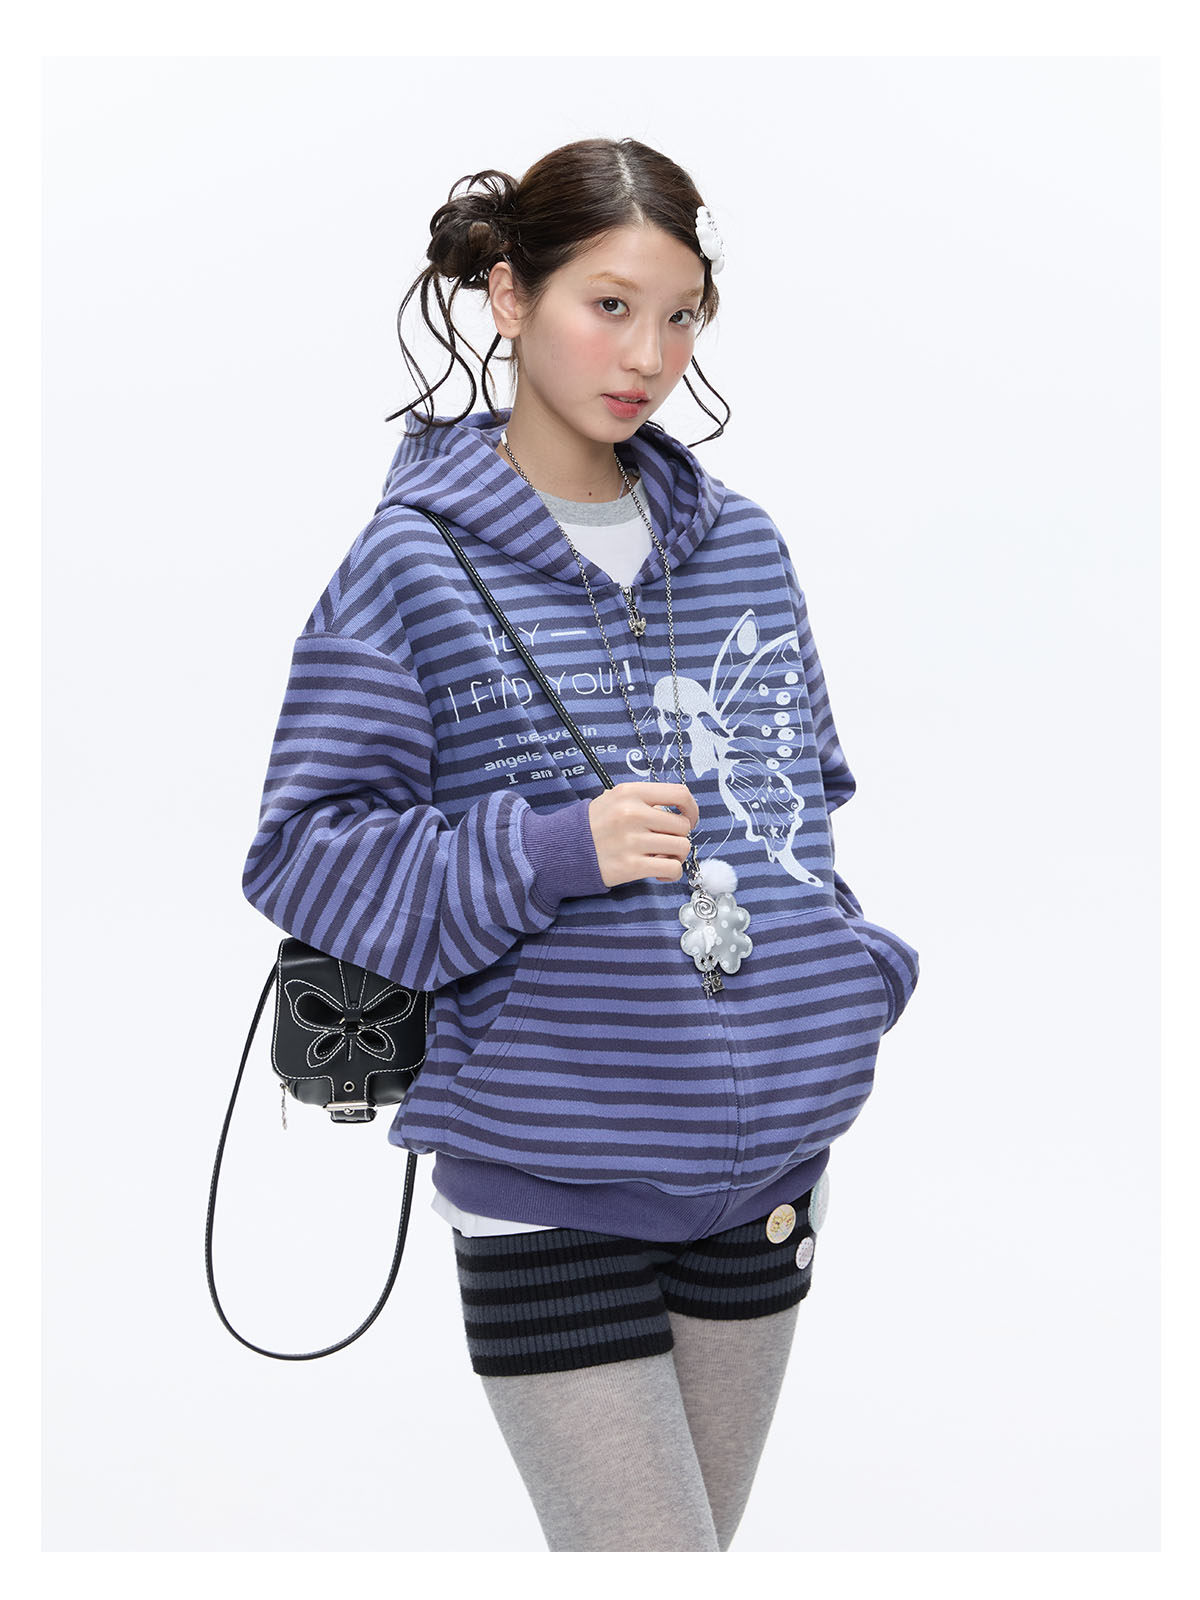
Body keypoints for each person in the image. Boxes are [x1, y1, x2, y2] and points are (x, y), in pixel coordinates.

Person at [241, 136, 920, 1552]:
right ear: (509, 294)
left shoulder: (744, 547)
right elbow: (304, 849)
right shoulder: (410, 567)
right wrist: (557, 849)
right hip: (550, 1179)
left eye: (680, 316)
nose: (647, 356)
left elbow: (807, 808)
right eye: (608, 305)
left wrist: (846, 985)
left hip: (771, 1174)